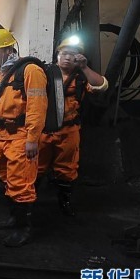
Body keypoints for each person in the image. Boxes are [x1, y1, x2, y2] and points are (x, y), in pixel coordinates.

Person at [0, 29, 48, 247]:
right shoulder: (1, 75)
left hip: (20, 136)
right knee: (7, 178)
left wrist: (32, 138)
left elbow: (37, 107)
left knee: (21, 182)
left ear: (7, 49)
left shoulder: (30, 71)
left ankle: (24, 228)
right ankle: (14, 217)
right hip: (2, 137)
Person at [37, 36, 108, 216]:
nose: (67, 57)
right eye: (64, 53)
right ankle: (30, 201)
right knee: (37, 166)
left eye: (72, 54)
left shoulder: (81, 78)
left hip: (69, 130)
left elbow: (101, 86)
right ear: (57, 55)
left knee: (67, 168)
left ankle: (64, 202)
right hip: (44, 130)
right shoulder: (44, 73)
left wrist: (84, 67)